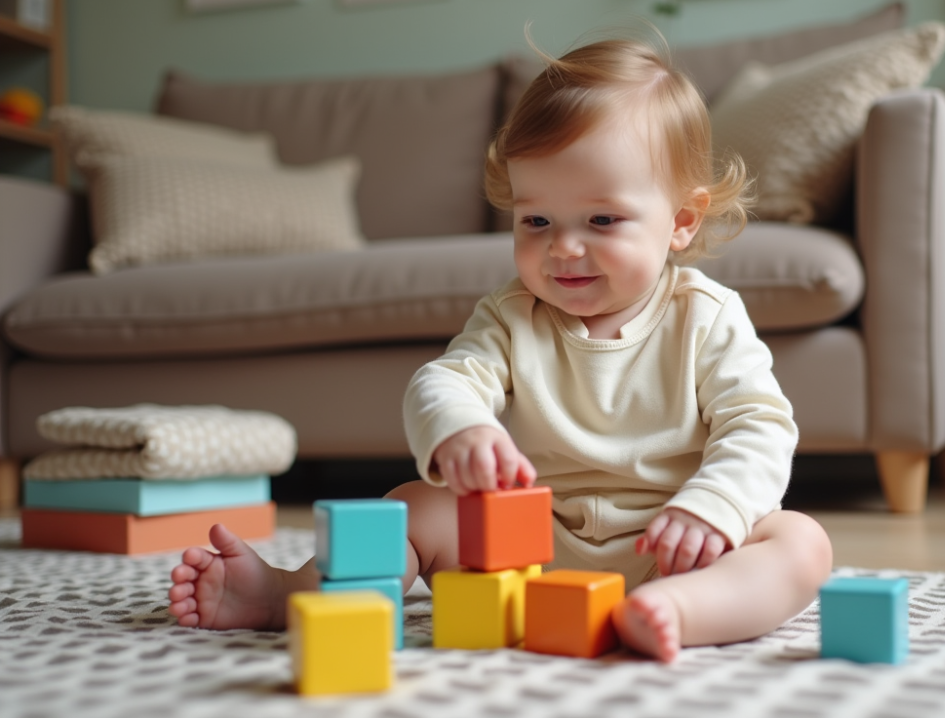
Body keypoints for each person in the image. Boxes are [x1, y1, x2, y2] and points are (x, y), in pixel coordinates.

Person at [168, 36, 833, 663]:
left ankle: (677, 611)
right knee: (408, 507)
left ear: (681, 221)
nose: (563, 247)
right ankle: (285, 595)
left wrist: (712, 507)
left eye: (602, 219)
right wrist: (462, 430)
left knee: (800, 543)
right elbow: (446, 380)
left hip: (676, 544)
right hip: (529, 548)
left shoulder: (706, 317)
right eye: (536, 220)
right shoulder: (513, 315)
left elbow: (760, 424)